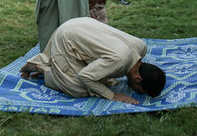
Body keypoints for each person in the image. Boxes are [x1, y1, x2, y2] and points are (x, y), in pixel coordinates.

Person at [20, 17, 166, 104]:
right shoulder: (119, 62)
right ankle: (40, 66)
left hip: (82, 23)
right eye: (138, 90)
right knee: (79, 89)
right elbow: (85, 76)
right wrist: (113, 96)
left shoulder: (142, 47)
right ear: (138, 78)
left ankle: (54, 64)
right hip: (66, 38)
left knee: (103, 80)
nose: (134, 90)